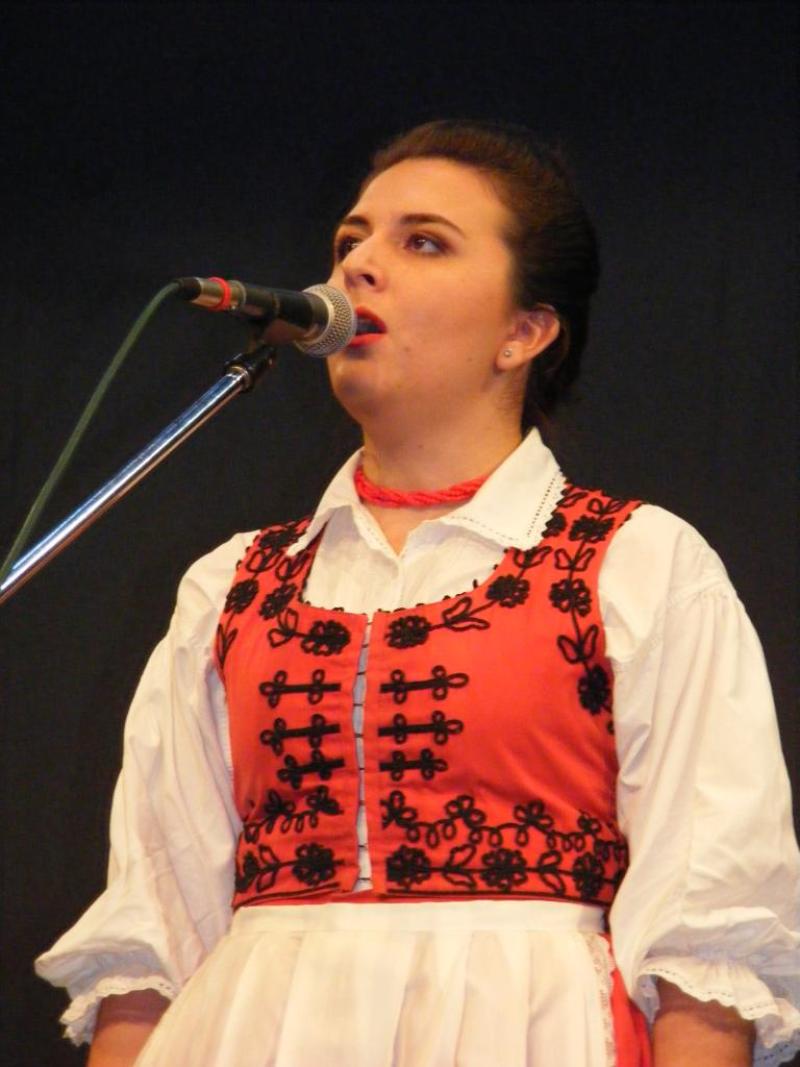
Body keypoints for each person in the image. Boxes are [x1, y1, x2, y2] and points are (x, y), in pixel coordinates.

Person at [36, 120, 799, 1067]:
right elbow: (151, 938)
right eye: (349, 240)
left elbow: (708, 930)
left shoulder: (640, 563)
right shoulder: (231, 586)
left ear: (524, 331)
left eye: (424, 242)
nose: (358, 265)